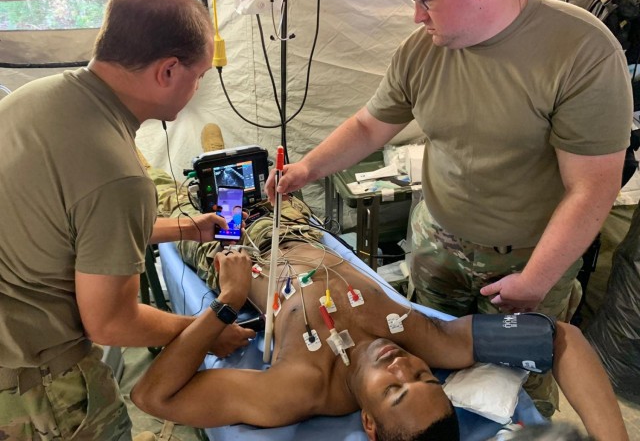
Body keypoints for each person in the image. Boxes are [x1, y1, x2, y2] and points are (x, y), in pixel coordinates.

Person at [265, 0, 633, 416]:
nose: (417, 15)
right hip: (437, 242)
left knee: (518, 378)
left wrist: (536, 278)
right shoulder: (422, 51)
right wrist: (306, 169)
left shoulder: (580, 50)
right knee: (428, 360)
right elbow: (368, 126)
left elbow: (593, 187)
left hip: (529, 257)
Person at [130, 176, 629, 440]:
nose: (404, 365)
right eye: (425, 379)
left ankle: (159, 177)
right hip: (301, 223)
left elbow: (152, 397)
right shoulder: (426, 340)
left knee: (155, 190)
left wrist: (228, 302)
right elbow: (561, 338)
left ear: (368, 423)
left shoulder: (295, 389)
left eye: (394, 390)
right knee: (245, 170)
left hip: (234, 239)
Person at [0, 0, 254, 440]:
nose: (196, 88)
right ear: (168, 71)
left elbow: (67, 222)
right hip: (38, 388)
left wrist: (183, 228)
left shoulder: (30, 100)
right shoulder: (117, 174)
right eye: (198, 76)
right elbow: (111, 321)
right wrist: (207, 326)